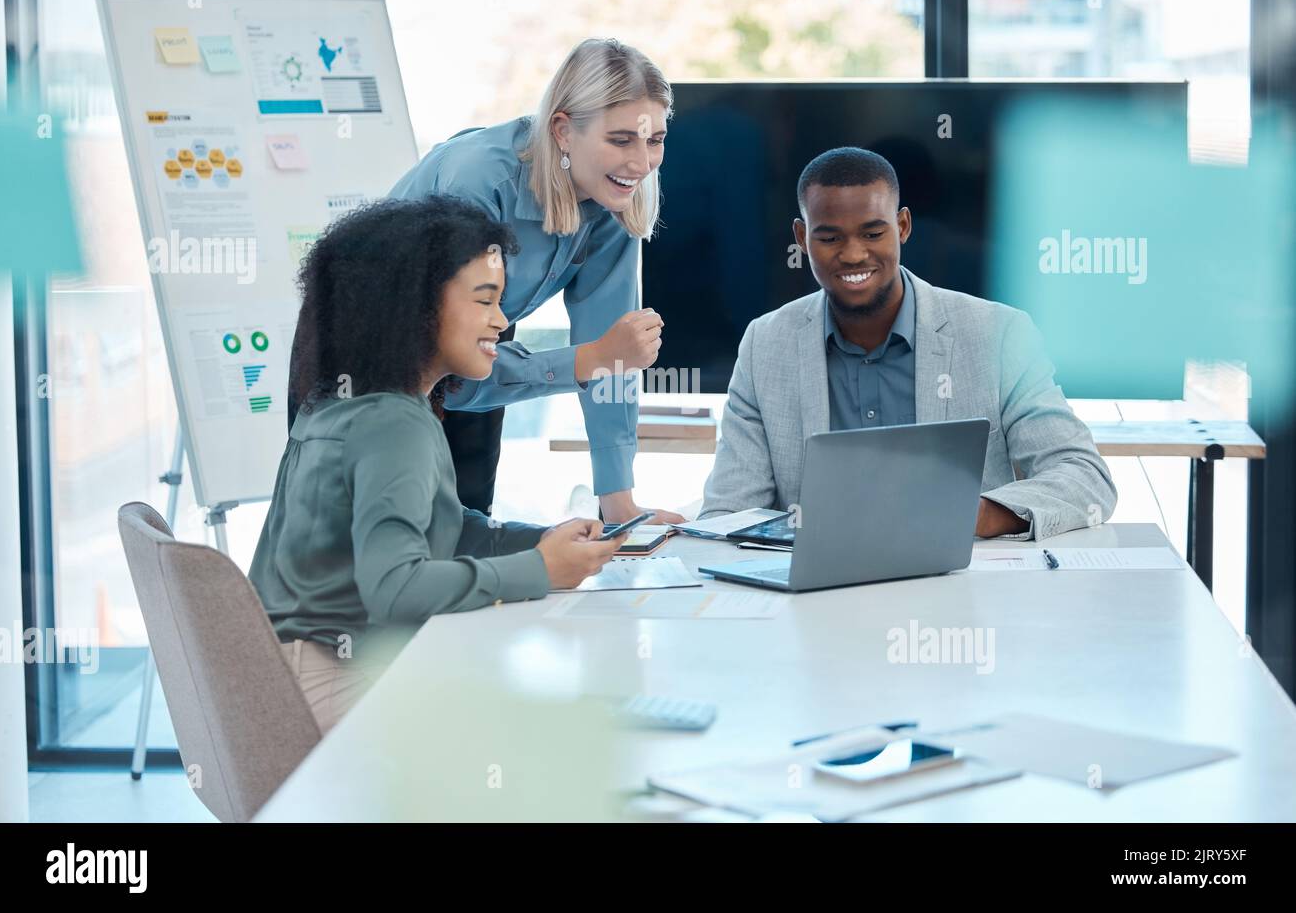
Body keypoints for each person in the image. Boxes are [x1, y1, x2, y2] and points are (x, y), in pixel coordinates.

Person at [252, 196, 625, 733]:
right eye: (485, 300)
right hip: (334, 693)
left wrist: (544, 541)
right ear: (417, 306)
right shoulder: (394, 424)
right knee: (567, 729)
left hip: (284, 685)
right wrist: (542, 569)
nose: (501, 321)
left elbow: (440, 525)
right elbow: (397, 589)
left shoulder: (341, 405)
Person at [700, 147, 1117, 540]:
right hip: (814, 597)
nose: (852, 255)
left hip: (961, 592)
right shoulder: (766, 343)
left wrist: (972, 514)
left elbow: (1083, 475)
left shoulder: (999, 333)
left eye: (872, 233)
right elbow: (730, 511)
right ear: (801, 236)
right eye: (829, 239)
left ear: (902, 227)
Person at [382, 37, 683, 525]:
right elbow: (450, 376)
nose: (640, 163)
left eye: (655, 140)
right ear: (563, 130)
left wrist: (618, 499)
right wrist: (588, 359)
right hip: (380, 356)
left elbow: (612, 353)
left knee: (469, 532)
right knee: (391, 548)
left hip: (477, 345)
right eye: (621, 139)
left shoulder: (612, 202)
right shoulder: (478, 182)